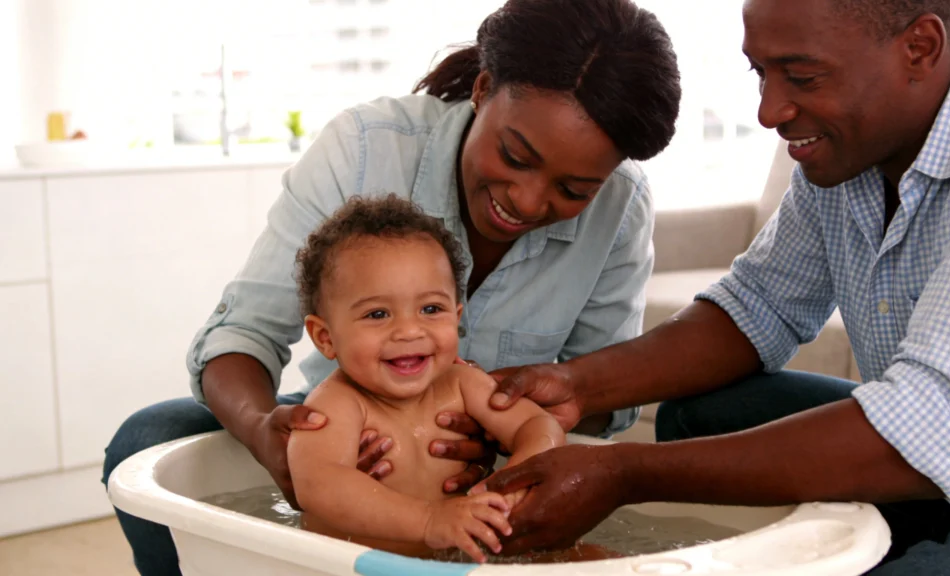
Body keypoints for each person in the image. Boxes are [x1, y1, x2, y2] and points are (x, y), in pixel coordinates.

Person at [100, 0, 681, 574]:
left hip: (475, 515)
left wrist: (512, 469)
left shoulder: (620, 207)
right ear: (482, 89)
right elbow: (244, 333)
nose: (528, 202)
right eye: (514, 155)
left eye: (574, 190)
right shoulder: (364, 148)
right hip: (360, 486)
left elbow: (587, 411)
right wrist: (268, 436)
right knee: (150, 436)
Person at [469, 0, 950, 573]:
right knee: (702, 414)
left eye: (803, 77)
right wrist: (576, 385)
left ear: (921, 48)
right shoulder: (851, 148)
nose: (769, 111)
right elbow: (756, 309)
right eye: (761, 73)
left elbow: (927, 423)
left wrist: (623, 474)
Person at [286, 195, 565, 563]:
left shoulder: (462, 384)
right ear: (325, 337)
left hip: (457, 560)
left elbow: (540, 425)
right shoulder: (336, 405)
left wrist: (513, 480)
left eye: (431, 309)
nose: (409, 330)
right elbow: (318, 485)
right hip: (358, 567)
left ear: (456, 315)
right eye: (378, 313)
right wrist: (429, 520)